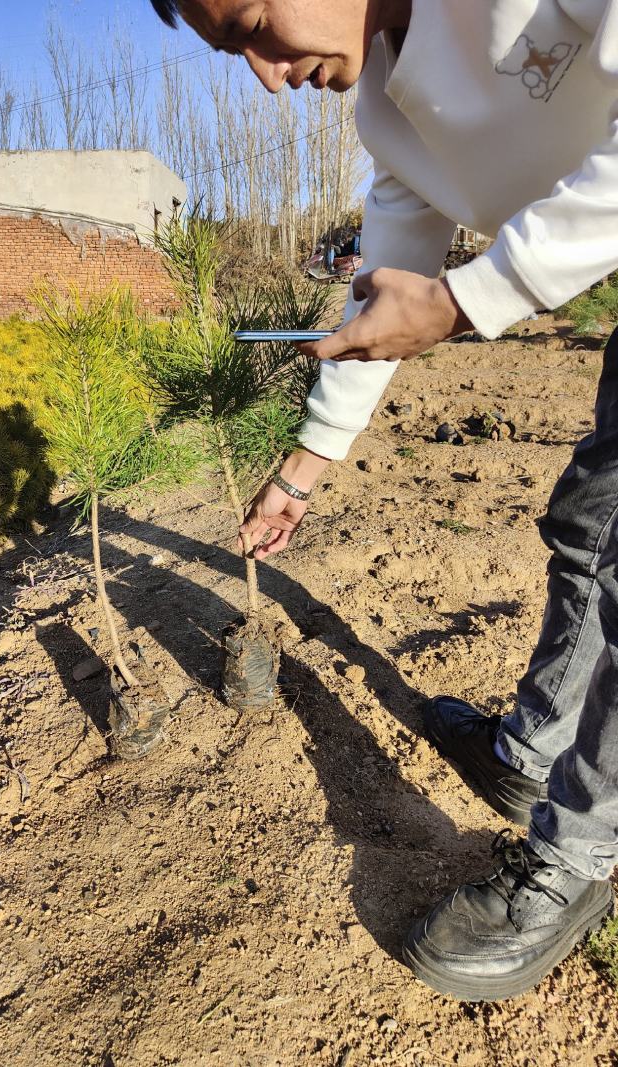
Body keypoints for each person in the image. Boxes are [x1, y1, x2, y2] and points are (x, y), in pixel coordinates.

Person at [149, 0, 618, 1001]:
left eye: (248, 23)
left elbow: (435, 299)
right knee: (591, 523)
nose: (266, 76)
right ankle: (529, 750)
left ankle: (579, 855)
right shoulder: (388, 116)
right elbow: (386, 294)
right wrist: (299, 473)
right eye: (235, 55)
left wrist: (466, 301)